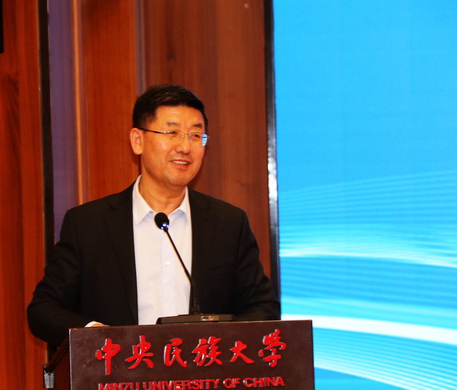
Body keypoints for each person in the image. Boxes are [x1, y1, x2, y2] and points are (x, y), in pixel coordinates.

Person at [27, 84, 279, 348]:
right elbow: (44, 310)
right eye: (172, 133)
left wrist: (221, 342)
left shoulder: (228, 223)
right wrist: (96, 335)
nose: (185, 147)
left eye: (196, 135)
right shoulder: (89, 224)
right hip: (120, 371)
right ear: (138, 140)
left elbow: (263, 306)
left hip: (205, 371)